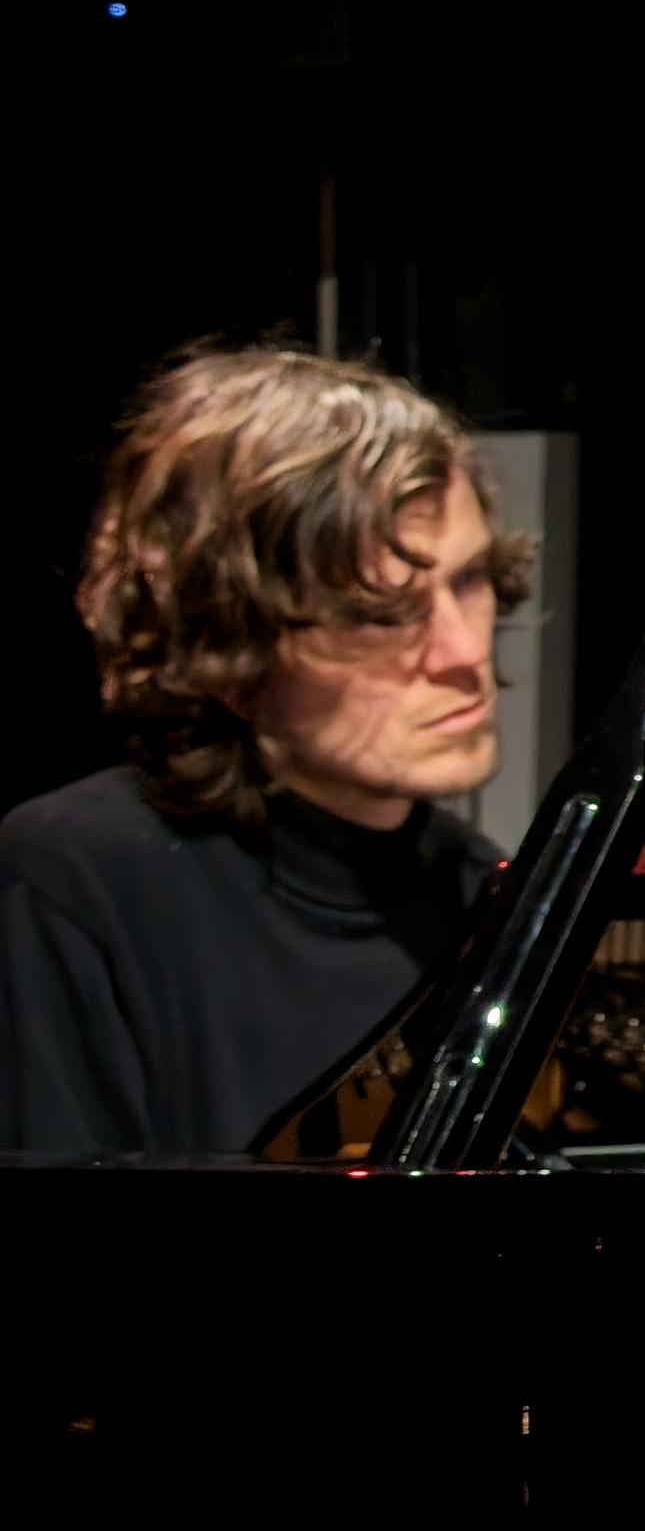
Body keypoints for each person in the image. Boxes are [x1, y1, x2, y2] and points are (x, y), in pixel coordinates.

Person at [2, 345, 529, 1156]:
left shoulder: (483, 897)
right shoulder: (72, 881)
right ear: (227, 648)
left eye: (468, 580)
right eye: (379, 614)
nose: (463, 651)